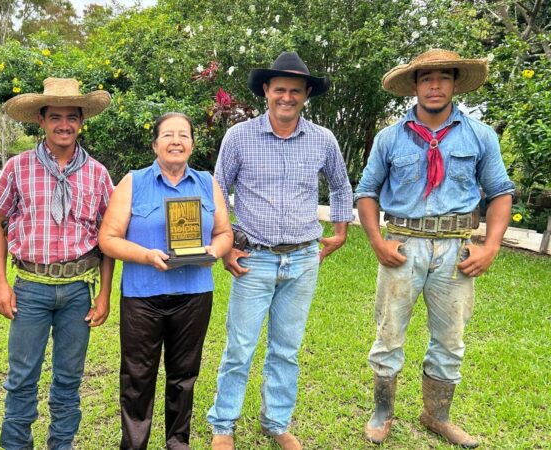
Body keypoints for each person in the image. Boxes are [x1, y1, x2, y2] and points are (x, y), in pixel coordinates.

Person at [356, 49, 514, 448]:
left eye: (444, 77)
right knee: (389, 333)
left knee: (450, 338)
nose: (434, 85)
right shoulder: (389, 137)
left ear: (455, 82)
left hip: (456, 250)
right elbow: (367, 193)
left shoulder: (480, 136)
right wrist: (377, 241)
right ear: (414, 84)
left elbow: (500, 193)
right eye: (426, 77)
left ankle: (436, 414)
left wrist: (491, 246)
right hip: (404, 246)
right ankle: (382, 411)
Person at [207, 51, 354, 450]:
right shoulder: (240, 136)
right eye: (279, 90)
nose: (286, 97)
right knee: (240, 347)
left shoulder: (323, 139)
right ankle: (223, 426)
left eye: (295, 90)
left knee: (286, 349)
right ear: (266, 92)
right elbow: (218, 191)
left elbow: (341, 185)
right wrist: (226, 246)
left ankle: (277, 423)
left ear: (306, 94)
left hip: (305, 257)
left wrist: (340, 231)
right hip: (254, 257)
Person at [0, 77, 115, 450]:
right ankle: (16, 445)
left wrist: (104, 294)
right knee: (22, 376)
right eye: (55, 116)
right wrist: (0, 283)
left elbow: (107, 240)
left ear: (81, 121)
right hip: (31, 287)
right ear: (41, 120)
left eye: (71, 117)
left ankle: (62, 444)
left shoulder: (98, 174)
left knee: (68, 378)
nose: (64, 125)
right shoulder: (18, 167)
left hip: (78, 289)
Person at [98, 112, 233, 450]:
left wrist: (213, 251)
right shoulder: (134, 182)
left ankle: (177, 443)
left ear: (192, 143)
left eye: (184, 135)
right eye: (168, 135)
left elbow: (224, 233)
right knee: (137, 378)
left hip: (194, 295)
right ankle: (134, 445)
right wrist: (146, 255)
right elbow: (108, 239)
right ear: (155, 143)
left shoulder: (207, 182)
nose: (176, 141)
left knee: (184, 378)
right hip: (143, 297)